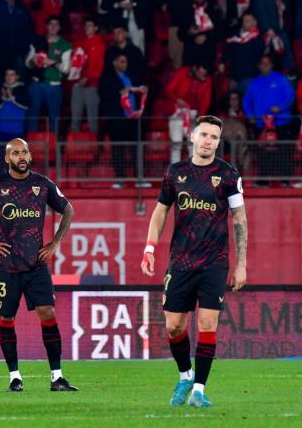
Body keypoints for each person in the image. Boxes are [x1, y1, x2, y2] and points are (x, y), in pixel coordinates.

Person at [141, 115, 247, 408]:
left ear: (218, 141)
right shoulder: (175, 172)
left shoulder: (228, 175)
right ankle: (185, 375)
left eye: (214, 137)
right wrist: (149, 247)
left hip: (215, 261)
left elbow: (239, 218)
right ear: (192, 136)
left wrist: (241, 264)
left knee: (207, 323)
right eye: (204, 135)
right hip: (181, 261)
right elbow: (160, 211)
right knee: (174, 327)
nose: (208, 141)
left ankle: (199, 390)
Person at [0, 138, 78, 393]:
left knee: (47, 312)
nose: (22, 156)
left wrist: (56, 242)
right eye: (16, 153)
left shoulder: (42, 184)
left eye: (25, 151)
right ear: (7, 159)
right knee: (6, 317)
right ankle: (15, 376)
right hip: (5, 266)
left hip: (36, 264)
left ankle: (57, 377)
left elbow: (68, 209)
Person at [243, 55, 295, 186]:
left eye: (267, 63)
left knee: (284, 151)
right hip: (261, 124)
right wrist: (250, 115)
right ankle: (264, 180)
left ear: (272, 65)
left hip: (281, 122)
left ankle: (285, 180)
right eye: (262, 63)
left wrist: (281, 107)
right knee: (263, 154)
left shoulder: (281, 79)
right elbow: (246, 101)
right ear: (259, 66)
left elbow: (291, 97)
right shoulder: (254, 82)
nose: (265, 65)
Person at [98, 53, 146, 188]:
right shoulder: (108, 78)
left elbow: (139, 90)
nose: (124, 64)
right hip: (117, 119)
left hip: (132, 119)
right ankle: (119, 179)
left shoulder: (131, 76)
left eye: (125, 62)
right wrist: (119, 92)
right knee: (118, 149)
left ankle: (139, 179)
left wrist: (143, 89)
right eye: (122, 61)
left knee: (136, 149)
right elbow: (103, 95)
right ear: (114, 62)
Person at [25, 16, 72, 132]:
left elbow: (66, 70)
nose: (53, 27)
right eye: (51, 24)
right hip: (37, 82)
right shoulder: (37, 41)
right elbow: (27, 63)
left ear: (59, 27)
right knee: (32, 115)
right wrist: (33, 60)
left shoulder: (65, 45)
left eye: (56, 24)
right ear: (46, 26)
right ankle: (32, 145)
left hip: (54, 85)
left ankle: (54, 146)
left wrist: (53, 63)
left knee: (54, 117)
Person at [163, 63, 213, 164]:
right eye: (200, 73)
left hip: (194, 114)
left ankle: (193, 172)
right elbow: (169, 90)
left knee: (193, 144)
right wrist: (177, 99)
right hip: (177, 112)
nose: (201, 76)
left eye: (203, 74)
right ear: (195, 68)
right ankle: (174, 171)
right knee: (177, 143)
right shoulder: (182, 72)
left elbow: (205, 102)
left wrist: (200, 118)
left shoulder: (207, 80)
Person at [70, 16, 105, 133]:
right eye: (85, 26)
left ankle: (94, 148)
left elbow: (99, 66)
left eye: (90, 25)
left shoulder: (100, 45)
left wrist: (88, 77)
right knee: (75, 117)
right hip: (78, 84)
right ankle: (74, 148)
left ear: (96, 28)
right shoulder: (80, 43)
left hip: (92, 86)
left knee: (92, 118)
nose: (87, 28)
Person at [0, 68, 29, 171]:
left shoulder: (22, 89)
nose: (9, 77)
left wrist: (12, 96)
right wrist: (3, 97)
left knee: (18, 159)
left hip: (17, 131)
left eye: (12, 75)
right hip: (0, 131)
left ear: (17, 76)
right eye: (7, 75)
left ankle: (18, 183)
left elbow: (26, 105)